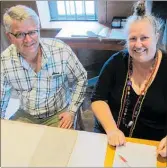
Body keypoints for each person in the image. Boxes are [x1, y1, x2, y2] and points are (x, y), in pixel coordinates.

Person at [91, 0, 167, 158]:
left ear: (157, 36)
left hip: (152, 148)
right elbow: (98, 98)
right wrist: (111, 129)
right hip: (112, 142)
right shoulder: (117, 61)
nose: (138, 45)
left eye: (144, 37)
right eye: (133, 39)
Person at [1, 5, 87, 129]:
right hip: (26, 115)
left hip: (58, 113)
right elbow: (1, 97)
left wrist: (71, 111)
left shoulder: (60, 50)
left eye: (32, 32)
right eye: (20, 34)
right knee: (13, 143)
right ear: (10, 37)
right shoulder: (4, 61)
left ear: (39, 29)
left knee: (59, 146)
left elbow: (81, 78)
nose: (28, 39)